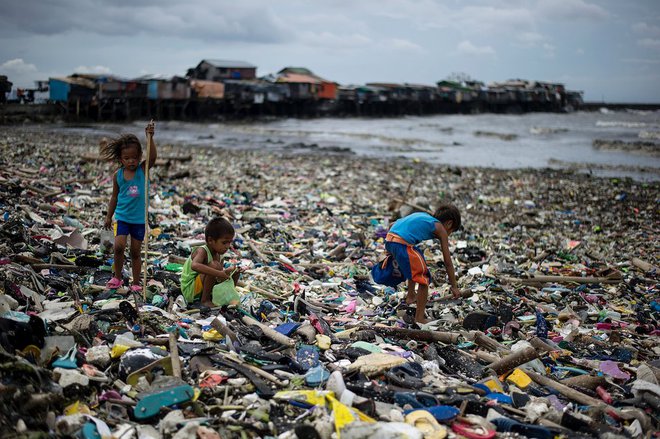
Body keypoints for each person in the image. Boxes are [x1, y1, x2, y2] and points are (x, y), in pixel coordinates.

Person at [375, 204, 462, 323]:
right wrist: (454, 286)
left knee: (417, 259)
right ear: (449, 224)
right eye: (451, 231)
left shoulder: (423, 217)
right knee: (424, 278)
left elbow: (392, 225)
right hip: (402, 244)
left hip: (390, 240)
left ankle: (411, 295)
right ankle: (419, 318)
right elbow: (447, 261)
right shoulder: (440, 228)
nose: (449, 234)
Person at [102, 121, 157, 291]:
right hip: (123, 217)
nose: (131, 161)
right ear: (120, 159)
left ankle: (135, 282)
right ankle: (117, 277)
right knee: (118, 247)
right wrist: (108, 216)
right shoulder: (118, 175)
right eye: (127, 158)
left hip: (139, 219)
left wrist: (150, 138)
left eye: (134, 157)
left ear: (140, 156)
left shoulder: (143, 170)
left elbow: (153, 157)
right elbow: (114, 197)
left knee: (135, 252)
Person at [180, 217, 241, 307]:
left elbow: (217, 276)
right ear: (210, 240)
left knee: (235, 271)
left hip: (202, 287)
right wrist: (220, 273)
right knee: (214, 266)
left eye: (230, 242)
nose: (227, 246)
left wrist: (229, 272)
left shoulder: (220, 255)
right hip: (190, 290)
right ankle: (205, 301)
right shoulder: (202, 251)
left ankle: (228, 296)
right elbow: (195, 265)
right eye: (224, 243)